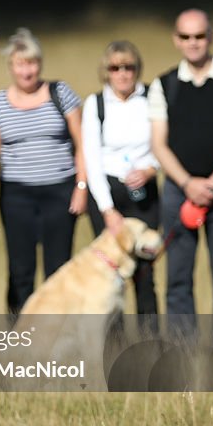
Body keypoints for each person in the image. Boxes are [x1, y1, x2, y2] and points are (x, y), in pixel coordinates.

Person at [148, 9, 213, 319]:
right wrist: (187, 184)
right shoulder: (164, 85)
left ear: (210, 36)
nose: (193, 43)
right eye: (185, 36)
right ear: (176, 40)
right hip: (177, 192)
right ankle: (184, 352)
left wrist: (211, 185)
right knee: (178, 279)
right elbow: (159, 144)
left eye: (199, 35)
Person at [0, 28, 87, 314]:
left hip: (60, 190)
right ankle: (19, 334)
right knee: (20, 269)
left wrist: (81, 187)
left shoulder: (60, 93)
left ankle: (60, 333)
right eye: (20, 63)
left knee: (59, 267)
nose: (26, 70)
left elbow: (82, 144)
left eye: (31, 63)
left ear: (39, 64)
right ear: (11, 66)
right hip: (17, 195)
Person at [82, 40, 160, 316]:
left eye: (129, 67)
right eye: (115, 68)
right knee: (110, 272)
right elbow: (92, 159)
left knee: (145, 272)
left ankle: (149, 342)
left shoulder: (152, 97)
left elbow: (164, 144)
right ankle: (113, 344)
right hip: (108, 191)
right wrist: (107, 210)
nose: (123, 74)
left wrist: (151, 169)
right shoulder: (96, 103)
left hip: (143, 191)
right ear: (107, 71)